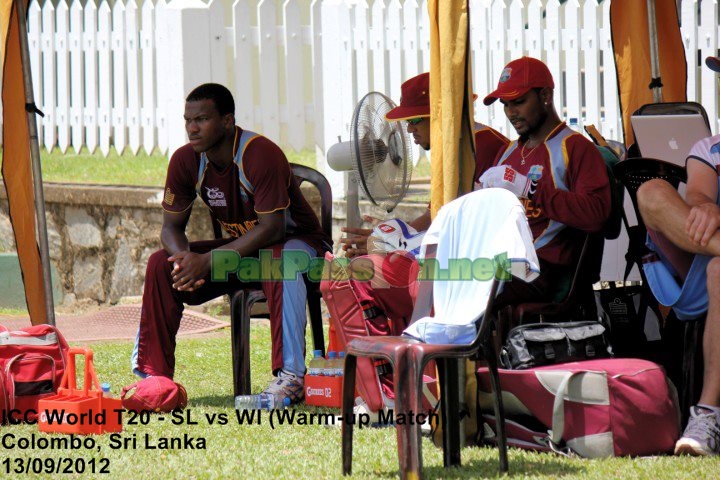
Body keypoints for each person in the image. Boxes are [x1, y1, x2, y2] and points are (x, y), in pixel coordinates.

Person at [130, 83, 331, 405]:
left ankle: (291, 377)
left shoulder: (259, 153)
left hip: (301, 249)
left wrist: (207, 261)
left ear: (227, 121)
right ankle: (154, 378)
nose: (192, 129)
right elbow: (169, 228)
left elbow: (273, 228)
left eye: (202, 120)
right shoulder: (186, 160)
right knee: (159, 263)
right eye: (188, 120)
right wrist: (184, 258)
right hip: (244, 255)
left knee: (282, 257)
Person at [331, 72, 510, 411]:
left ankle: (402, 387)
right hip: (446, 259)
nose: (409, 133)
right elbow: (436, 216)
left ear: (437, 114)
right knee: (357, 269)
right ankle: (385, 383)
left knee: (359, 273)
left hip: (466, 268)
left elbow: (459, 227)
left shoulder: (478, 146)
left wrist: (391, 242)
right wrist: (388, 236)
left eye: (415, 121)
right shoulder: (461, 143)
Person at [479, 56, 611, 315]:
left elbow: (598, 214)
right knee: (427, 272)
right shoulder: (508, 151)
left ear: (545, 96)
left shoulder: (575, 147)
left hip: (539, 267)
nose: (510, 112)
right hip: (498, 260)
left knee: (459, 282)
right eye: (505, 104)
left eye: (518, 102)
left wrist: (531, 189)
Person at [636, 56, 720, 457]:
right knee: (650, 190)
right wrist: (707, 205)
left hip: (713, 272)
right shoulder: (710, 147)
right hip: (697, 274)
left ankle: (707, 414)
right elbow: (699, 193)